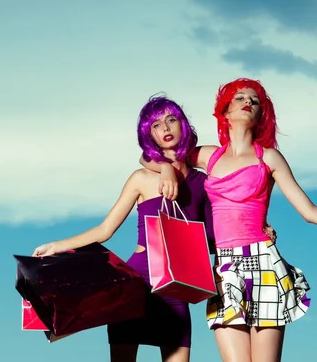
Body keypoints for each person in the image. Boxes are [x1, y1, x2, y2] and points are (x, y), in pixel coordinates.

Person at [139, 78, 317, 362]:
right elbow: (151, 156)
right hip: (224, 270)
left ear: (262, 115)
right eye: (240, 98)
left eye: (255, 100)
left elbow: (309, 211)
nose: (248, 102)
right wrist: (164, 168)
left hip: (263, 263)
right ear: (225, 112)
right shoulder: (208, 156)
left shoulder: (270, 158)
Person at [32, 94, 214, 362]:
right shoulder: (141, 178)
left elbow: (212, 239)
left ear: (183, 125)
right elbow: (105, 230)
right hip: (134, 287)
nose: (164, 128)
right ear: (148, 135)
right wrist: (56, 246)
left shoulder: (203, 183)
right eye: (156, 125)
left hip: (176, 291)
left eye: (171, 120)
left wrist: (258, 229)